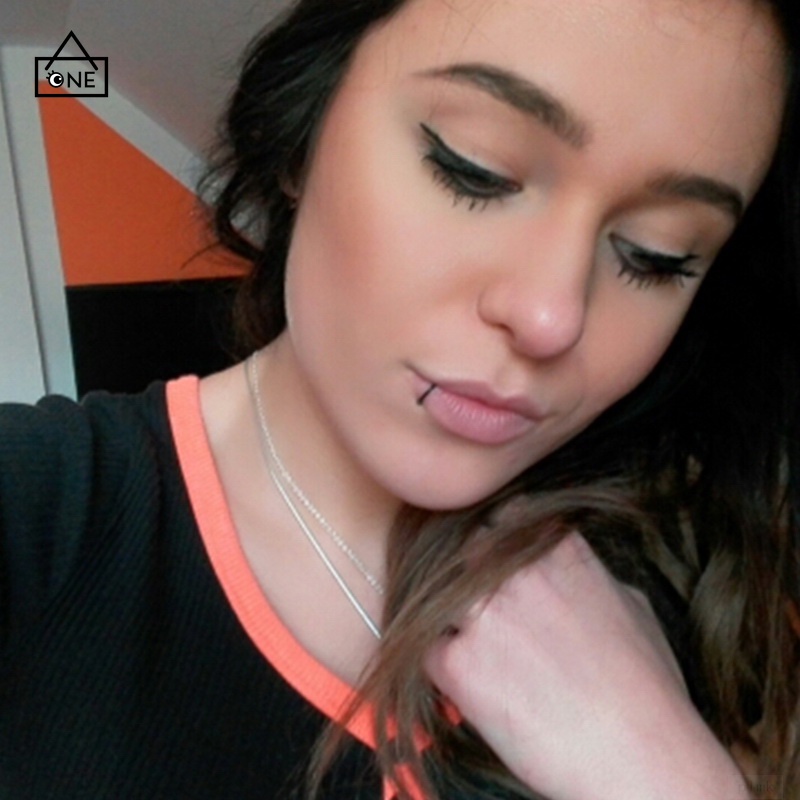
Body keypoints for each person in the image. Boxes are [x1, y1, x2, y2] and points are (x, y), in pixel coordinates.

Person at [1, 0, 798, 798]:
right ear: (301, 137)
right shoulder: (38, 509)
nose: (550, 316)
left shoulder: (676, 576)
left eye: (658, 254)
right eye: (473, 170)